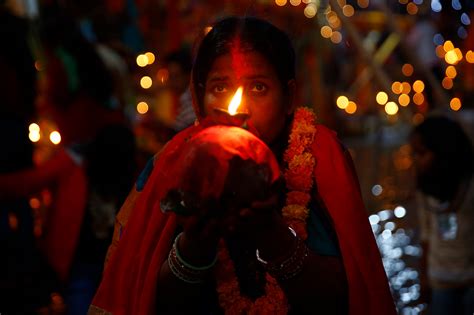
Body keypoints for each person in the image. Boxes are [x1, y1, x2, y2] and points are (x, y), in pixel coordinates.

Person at [89, 16, 396, 315]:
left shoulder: (319, 158)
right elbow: (145, 299)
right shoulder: (172, 166)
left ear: (289, 97)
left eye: (258, 88)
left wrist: (271, 233)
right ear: (198, 97)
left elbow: (347, 298)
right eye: (220, 88)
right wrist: (195, 244)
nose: (240, 110)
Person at [410, 116, 474, 315]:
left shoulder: (470, 185)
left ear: (443, 152)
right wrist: (424, 278)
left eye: (422, 153)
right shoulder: (425, 188)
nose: (416, 160)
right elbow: (426, 234)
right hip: (440, 280)